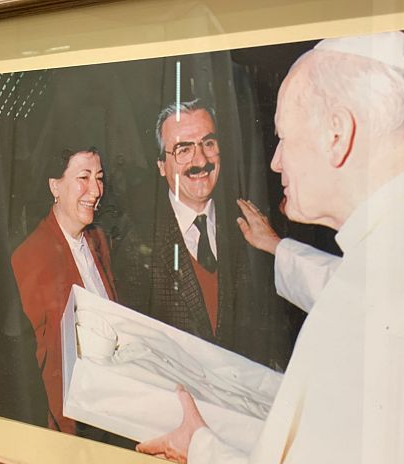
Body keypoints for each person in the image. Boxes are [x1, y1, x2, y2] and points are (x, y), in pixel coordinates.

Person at [137, 32, 404, 464]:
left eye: (282, 138)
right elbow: (352, 284)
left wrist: (200, 447)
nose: (275, 160)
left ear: (337, 134)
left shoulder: (391, 308)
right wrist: (278, 249)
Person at [113, 99, 291, 369]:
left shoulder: (252, 227)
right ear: (162, 166)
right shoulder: (136, 241)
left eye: (208, 144)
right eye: (183, 149)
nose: (201, 160)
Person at [11, 147, 132, 448]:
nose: (96, 190)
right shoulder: (31, 256)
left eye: (100, 178)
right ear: (55, 185)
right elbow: (36, 367)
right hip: (73, 430)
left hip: (112, 410)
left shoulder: (97, 240)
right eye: (83, 177)